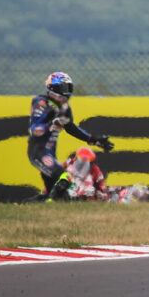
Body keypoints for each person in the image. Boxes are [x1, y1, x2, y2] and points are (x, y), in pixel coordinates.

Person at [28, 72, 113, 201]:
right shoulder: (41, 102)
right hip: (38, 151)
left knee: (55, 192)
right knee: (65, 177)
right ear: (53, 88)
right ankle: (50, 203)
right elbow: (34, 130)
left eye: (68, 88)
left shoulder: (64, 108)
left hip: (50, 153)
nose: (67, 93)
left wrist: (93, 139)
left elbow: (71, 128)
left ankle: (34, 204)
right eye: (63, 88)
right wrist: (51, 124)